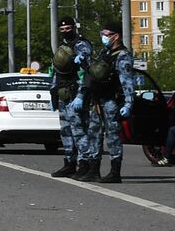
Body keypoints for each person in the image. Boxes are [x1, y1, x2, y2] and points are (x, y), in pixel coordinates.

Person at [74, 21, 137, 183]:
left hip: (111, 100)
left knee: (112, 136)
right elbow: (93, 74)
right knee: (94, 134)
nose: (103, 37)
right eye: (102, 34)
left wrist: (128, 103)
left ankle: (115, 171)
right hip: (97, 99)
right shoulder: (105, 53)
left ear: (116, 36)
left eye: (106, 34)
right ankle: (94, 169)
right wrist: (83, 62)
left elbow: (127, 80)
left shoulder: (123, 55)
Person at [49, 17, 92, 178]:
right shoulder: (62, 47)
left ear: (74, 27)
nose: (66, 31)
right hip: (63, 93)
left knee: (79, 131)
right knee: (66, 131)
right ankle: (69, 163)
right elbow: (57, 72)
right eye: (62, 29)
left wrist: (81, 95)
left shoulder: (82, 45)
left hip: (76, 94)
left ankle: (85, 163)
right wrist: (53, 93)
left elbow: (86, 73)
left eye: (68, 28)